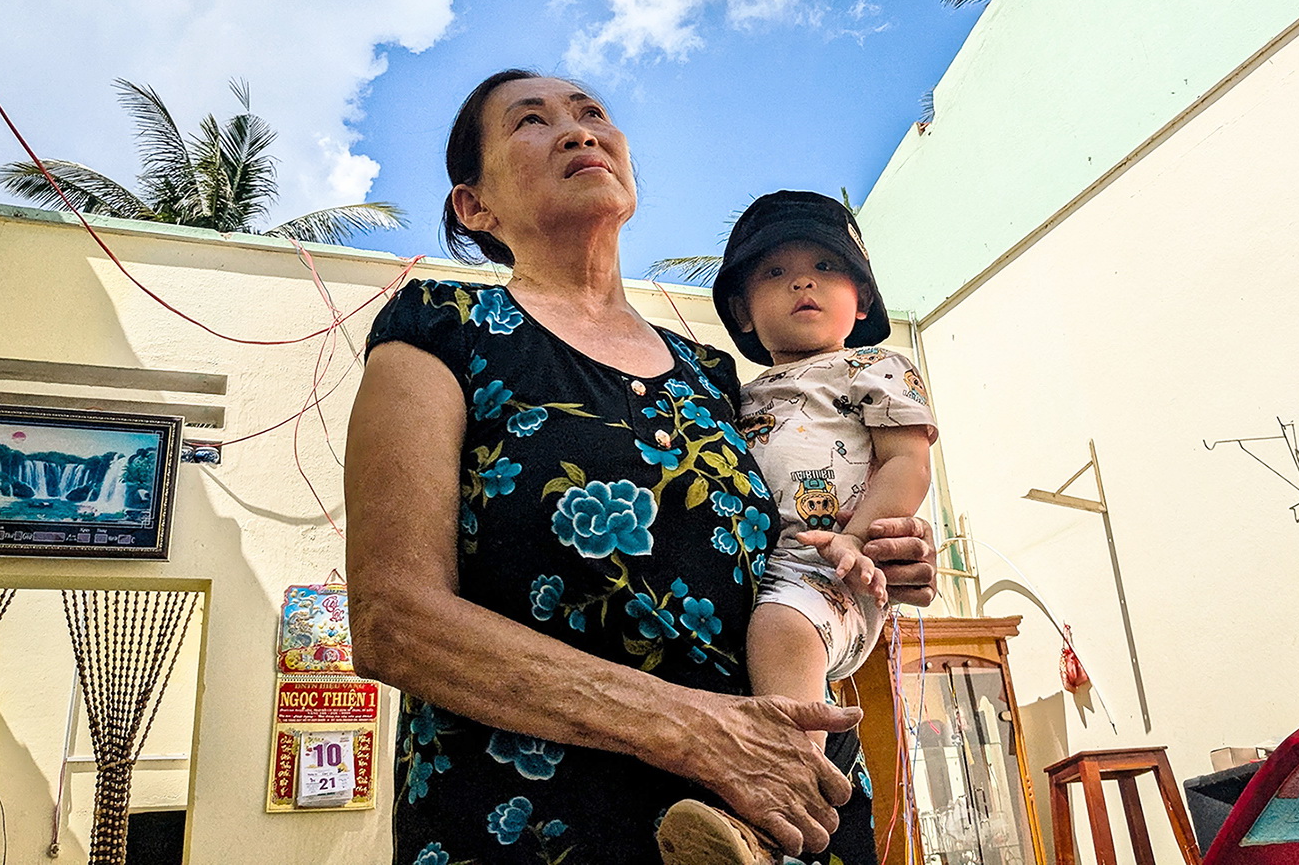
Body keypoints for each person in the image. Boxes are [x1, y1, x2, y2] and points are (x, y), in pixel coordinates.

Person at [343, 70, 939, 865]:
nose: (579, 130)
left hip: (786, 811)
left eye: (593, 113)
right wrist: (696, 730)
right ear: (474, 206)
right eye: (531, 120)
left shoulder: (714, 376)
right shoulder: (441, 326)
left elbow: (791, 537)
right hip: (537, 828)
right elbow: (394, 619)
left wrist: (885, 550)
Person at [657, 192, 935, 865]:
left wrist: (857, 535)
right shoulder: (734, 396)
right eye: (773, 273)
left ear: (862, 300)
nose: (801, 281)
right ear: (743, 314)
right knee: (762, 638)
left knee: (780, 630)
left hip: (831, 564)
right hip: (764, 571)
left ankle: (780, 816)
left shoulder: (876, 366)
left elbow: (908, 462)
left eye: (822, 265)